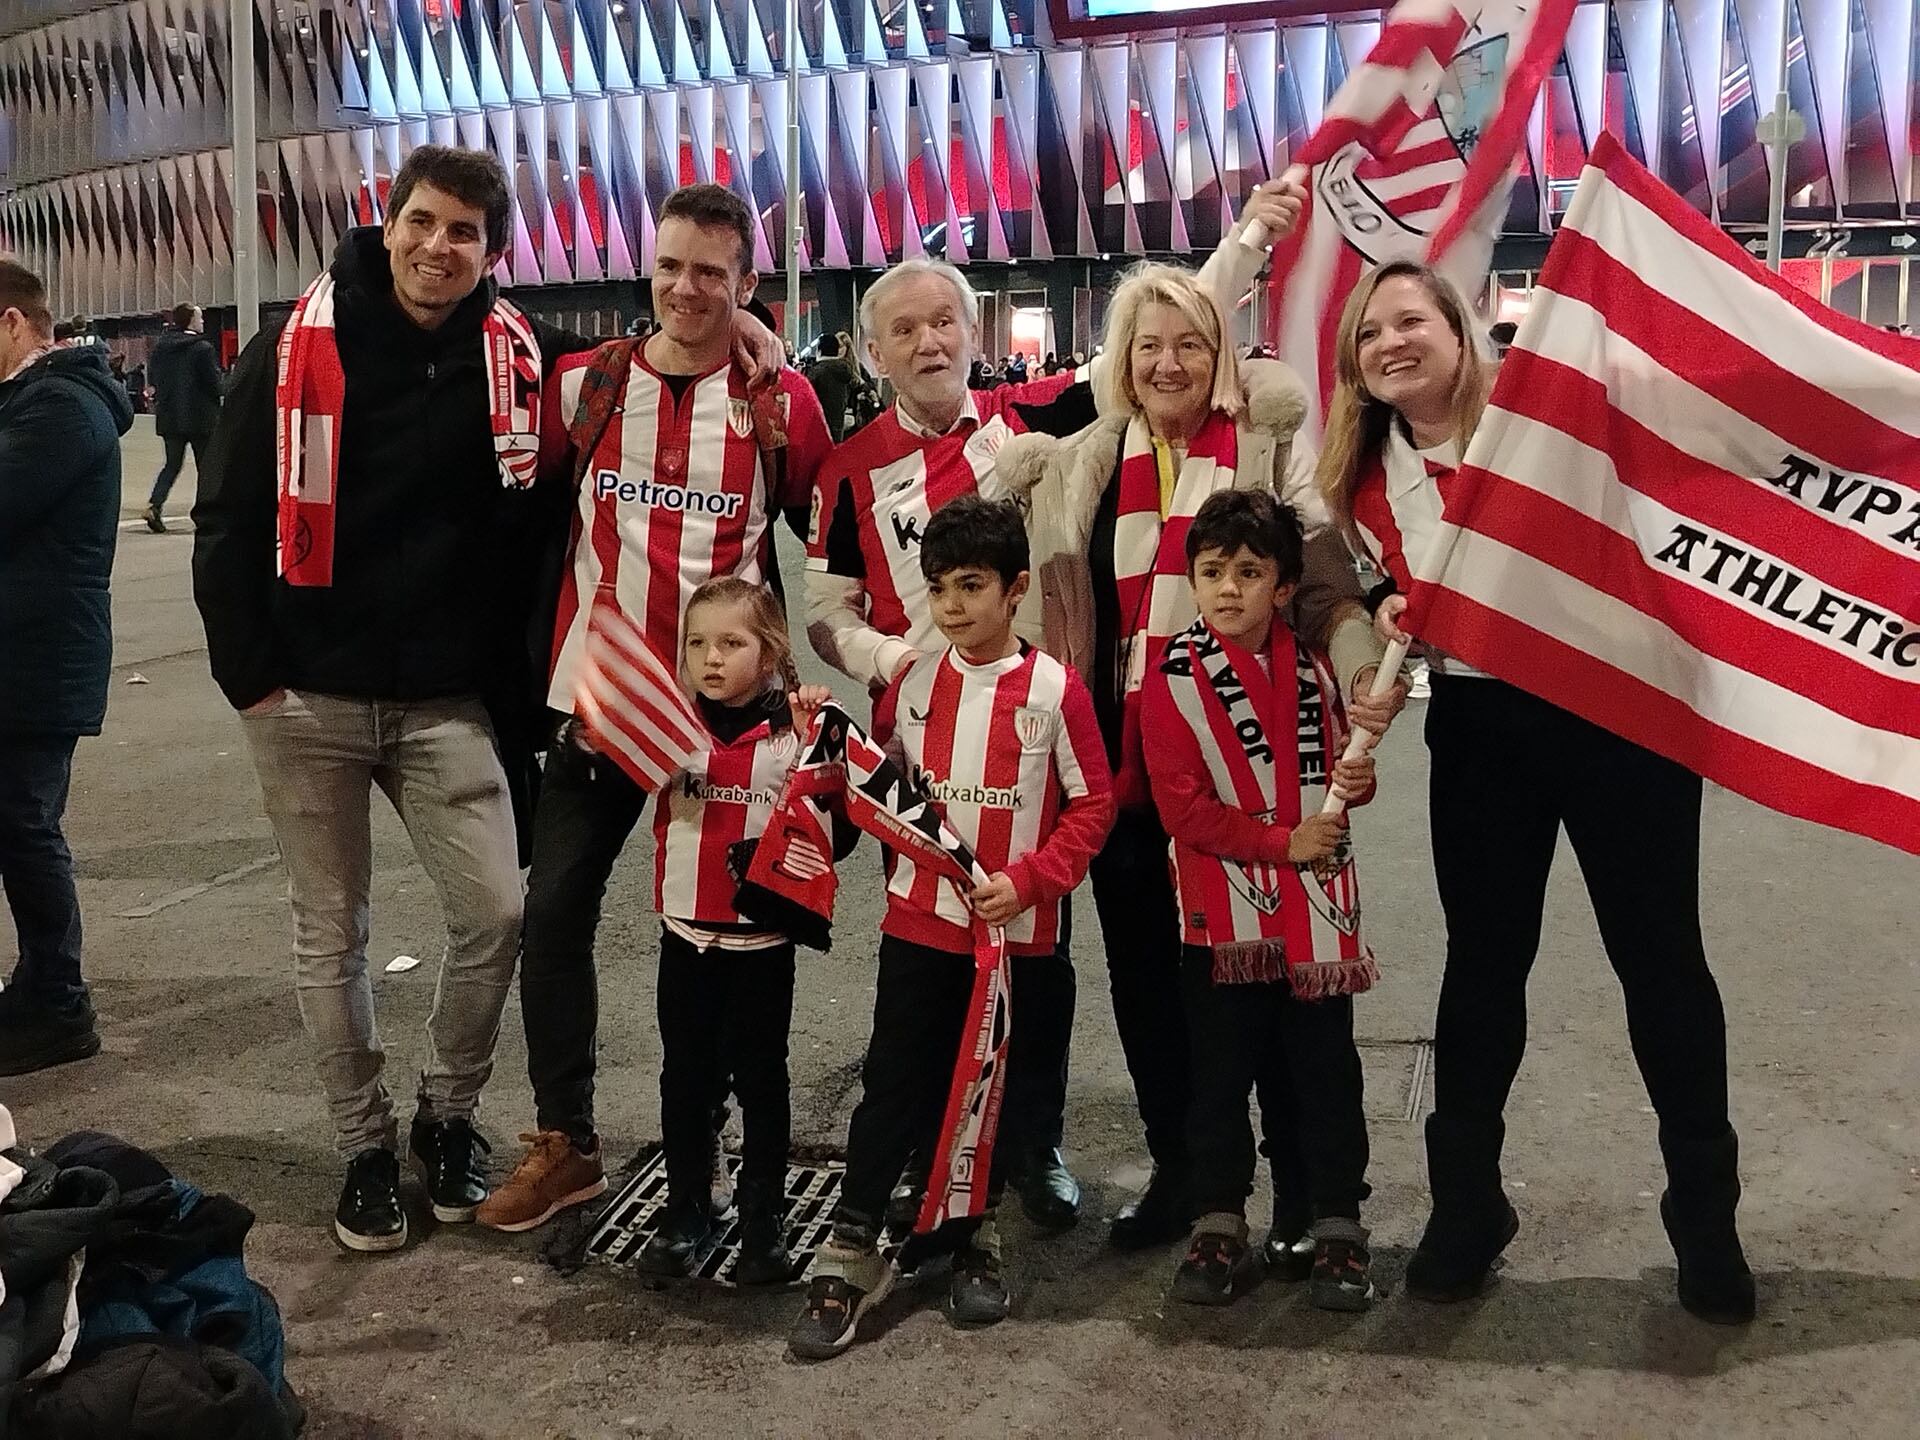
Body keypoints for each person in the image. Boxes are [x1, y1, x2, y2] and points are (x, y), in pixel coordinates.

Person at [802, 181, 1306, 1233]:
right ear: (875, 349)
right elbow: (823, 607)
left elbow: (1172, 340)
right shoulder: (847, 468)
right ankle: (929, 1150)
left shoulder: (1037, 419)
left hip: (1050, 740)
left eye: (946, 320)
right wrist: (897, 660)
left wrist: (1253, 235)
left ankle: (1030, 1145)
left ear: (973, 330)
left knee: (1042, 958)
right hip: (930, 744)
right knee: (930, 958)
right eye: (906, 328)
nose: (931, 341)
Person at [1318, 259, 1753, 1324]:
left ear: (1463, 332)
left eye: (1411, 319)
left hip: (1619, 713)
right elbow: (1363, 577)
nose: (1391, 342)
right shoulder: (1361, 477)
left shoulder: (1549, 415)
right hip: (1482, 727)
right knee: (1482, 971)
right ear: (1354, 366)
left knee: (1662, 968)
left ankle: (1707, 1219)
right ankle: (1468, 1208)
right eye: (1370, 334)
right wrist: (1376, 604)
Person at [192, 144, 601, 1253]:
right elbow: (226, 519)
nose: (437, 245)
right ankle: (364, 1145)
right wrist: (252, 678)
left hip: (446, 701)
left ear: (491, 251)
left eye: (463, 232)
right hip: (308, 699)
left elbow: (648, 357)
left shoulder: (519, 359)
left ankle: (445, 1118)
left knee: (498, 914)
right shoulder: (293, 349)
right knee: (332, 935)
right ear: (389, 223)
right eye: (422, 221)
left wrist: (748, 331)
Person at [993, 261, 1403, 1252]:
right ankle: (1189, 1173)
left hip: (1259, 767)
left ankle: (1306, 1194)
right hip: (1128, 769)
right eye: (1148, 346)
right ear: (1122, 366)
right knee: (1151, 984)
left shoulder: (1264, 445)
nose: (1168, 362)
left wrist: (1359, 663)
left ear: (1220, 357)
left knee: (1272, 987)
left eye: (1189, 343)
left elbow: (1327, 585)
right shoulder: (1082, 462)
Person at [476, 182, 830, 1234]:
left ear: (747, 283)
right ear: (650, 267)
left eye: (712, 272)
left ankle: (722, 1153)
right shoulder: (586, 385)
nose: (687, 287)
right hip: (602, 707)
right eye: (672, 265)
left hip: (727, 729)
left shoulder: (779, 403)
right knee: (553, 916)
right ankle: (567, 1141)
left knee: (728, 946)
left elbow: (837, 530)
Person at [788, 496, 1114, 1360]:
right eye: (939, 590)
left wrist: (1031, 879)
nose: (954, 607)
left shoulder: (1056, 690)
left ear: (1015, 591)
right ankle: (852, 1243)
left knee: (996, 1091)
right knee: (895, 1082)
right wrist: (820, 744)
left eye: (973, 587)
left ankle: (977, 1236)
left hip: (1019, 939)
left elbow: (1094, 805)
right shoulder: (911, 688)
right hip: (920, 931)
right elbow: (878, 787)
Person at [1141, 490, 1380, 1312]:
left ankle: (1336, 1222)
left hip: (1318, 913)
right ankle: (1218, 1221)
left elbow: (1351, 779)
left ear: (1284, 587)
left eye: (1250, 572)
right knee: (1219, 1076)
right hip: (1222, 919)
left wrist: (1361, 777)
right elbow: (1183, 810)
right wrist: (1283, 845)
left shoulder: (1318, 670)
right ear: (1193, 581)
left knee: (1323, 1073)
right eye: (1213, 573)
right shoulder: (1170, 677)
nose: (1229, 588)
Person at [635, 577, 837, 1285]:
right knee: (684, 1079)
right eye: (697, 644)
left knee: (761, 1080)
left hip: (760, 946)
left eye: (731, 643)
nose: (711, 658)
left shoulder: (797, 735)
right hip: (685, 936)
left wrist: (821, 742)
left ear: (771, 649)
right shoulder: (668, 726)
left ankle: (763, 1219)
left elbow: (835, 837)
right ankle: (688, 1206)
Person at [0, 259, 134, 1078]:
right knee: (14, 826)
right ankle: (40, 988)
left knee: (23, 825)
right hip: (27, 651)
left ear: (14, 324)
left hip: (38, 658)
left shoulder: (62, 404)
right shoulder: (34, 401)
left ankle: (59, 1000)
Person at [144, 303, 225, 533]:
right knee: (206, 467)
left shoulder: (161, 347)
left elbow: (156, 378)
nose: (202, 322)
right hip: (201, 418)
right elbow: (213, 385)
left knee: (171, 465)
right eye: (199, 318)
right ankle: (208, 513)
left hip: (170, 417)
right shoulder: (203, 349)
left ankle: (154, 505)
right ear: (190, 321)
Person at [804, 331, 875, 443]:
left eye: (842, 346)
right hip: (846, 422)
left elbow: (806, 400)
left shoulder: (817, 372)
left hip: (828, 426)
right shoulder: (848, 370)